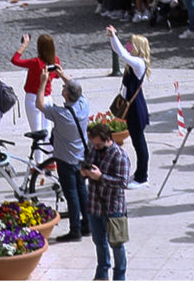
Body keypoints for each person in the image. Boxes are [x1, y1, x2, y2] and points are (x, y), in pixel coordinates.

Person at [40, 76, 92, 241]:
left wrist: (43, 82)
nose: (62, 88)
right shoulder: (84, 105)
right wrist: (63, 75)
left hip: (65, 159)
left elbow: (39, 104)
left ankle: (75, 230)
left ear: (67, 96)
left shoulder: (60, 114)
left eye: (64, 88)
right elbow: (78, 90)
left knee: (72, 194)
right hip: (82, 157)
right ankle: (88, 224)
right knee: (82, 190)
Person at [82, 120, 132, 280]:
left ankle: (119, 277)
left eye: (98, 144)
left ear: (107, 140)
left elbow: (123, 182)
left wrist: (101, 177)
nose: (95, 148)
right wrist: (84, 172)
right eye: (93, 144)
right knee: (99, 242)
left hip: (113, 208)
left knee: (117, 244)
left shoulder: (120, 155)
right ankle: (102, 274)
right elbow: (88, 165)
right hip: (95, 205)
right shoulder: (94, 150)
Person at [110, 27, 153, 182]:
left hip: (136, 107)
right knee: (137, 141)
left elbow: (121, 53)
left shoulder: (139, 64)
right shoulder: (133, 62)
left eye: (131, 43)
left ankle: (142, 176)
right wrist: (111, 37)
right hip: (133, 105)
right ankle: (140, 173)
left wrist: (115, 35)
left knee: (139, 142)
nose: (127, 44)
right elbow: (119, 50)